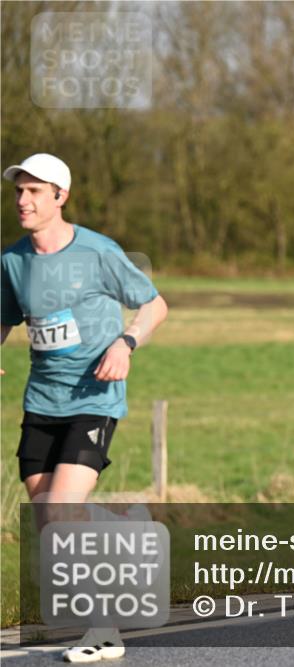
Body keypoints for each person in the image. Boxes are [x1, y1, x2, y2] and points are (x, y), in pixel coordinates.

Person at [1, 153, 168, 662]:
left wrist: (126, 344)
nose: (23, 201)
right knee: (47, 520)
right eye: (19, 192)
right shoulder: (11, 261)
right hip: (41, 402)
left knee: (61, 509)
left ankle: (103, 630)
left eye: (34, 191)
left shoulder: (97, 251)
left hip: (94, 398)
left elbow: (155, 305)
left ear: (60, 197)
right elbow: (5, 318)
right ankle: (122, 524)